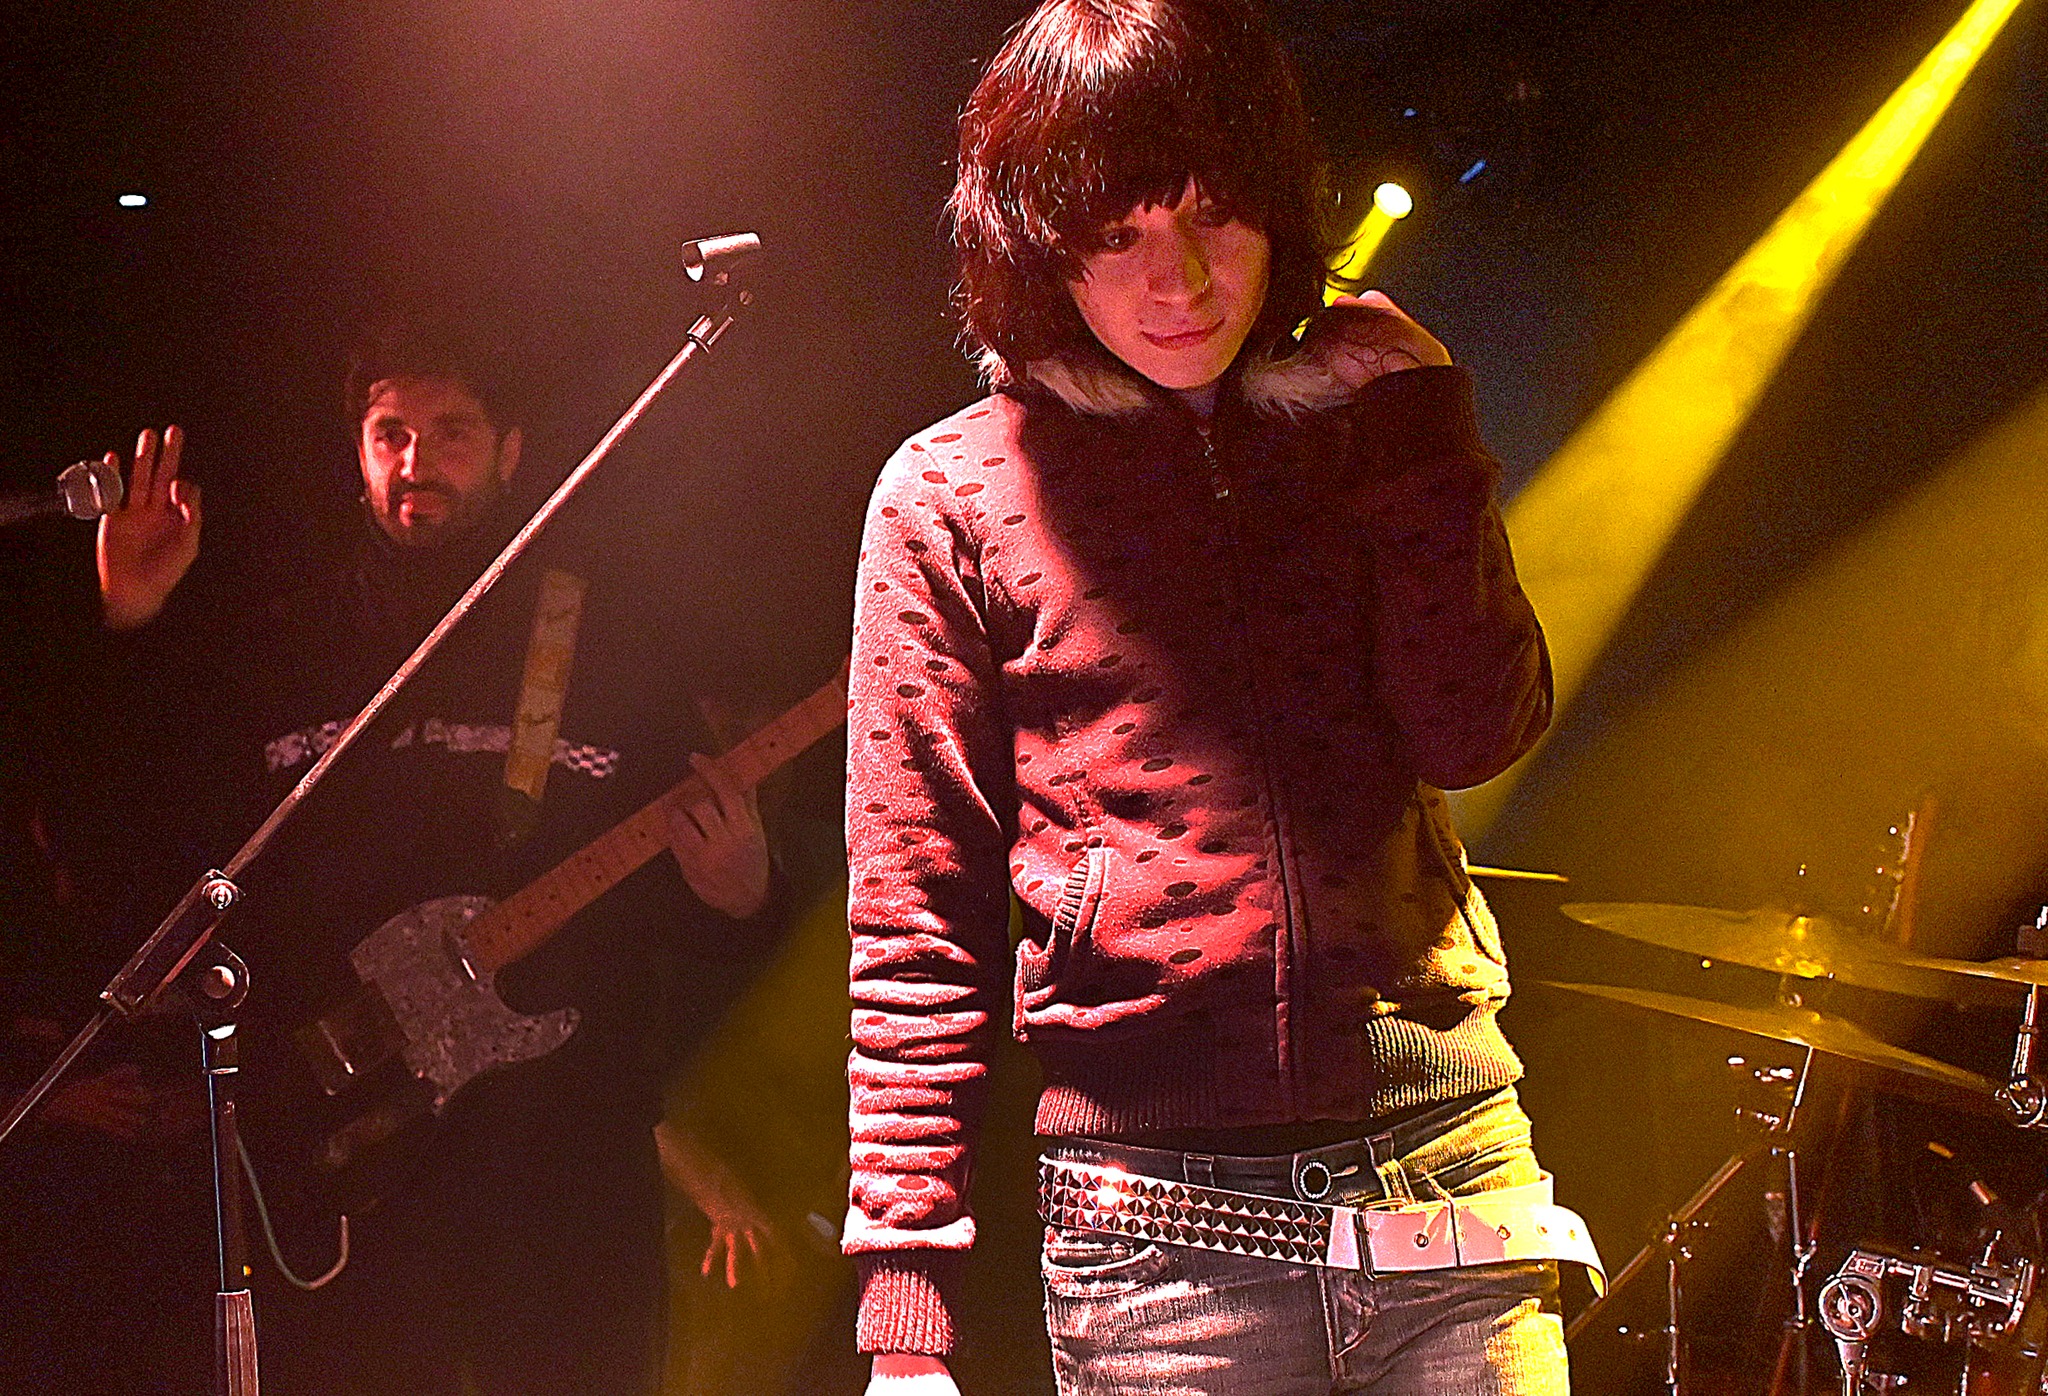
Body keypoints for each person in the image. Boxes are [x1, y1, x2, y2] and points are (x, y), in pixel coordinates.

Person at [843, 2, 1594, 1392]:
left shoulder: (1363, 426)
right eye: (1116, 233)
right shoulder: (949, 493)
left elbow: (1475, 730)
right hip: (1158, 1249)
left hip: (1449, 1178)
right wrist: (907, 1313)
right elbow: (913, 917)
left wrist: (1424, 440)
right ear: (1036, 243)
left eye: (1213, 215)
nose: (1179, 278)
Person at [95, 317, 783, 1396]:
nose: (416, 462)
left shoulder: (613, 646)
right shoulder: (282, 646)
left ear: (511, 451)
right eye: (390, 434)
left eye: (452, 432)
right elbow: (138, 855)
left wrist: (744, 897)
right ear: (359, 453)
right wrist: (130, 625)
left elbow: (688, 909)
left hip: (558, 1182)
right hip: (338, 1176)